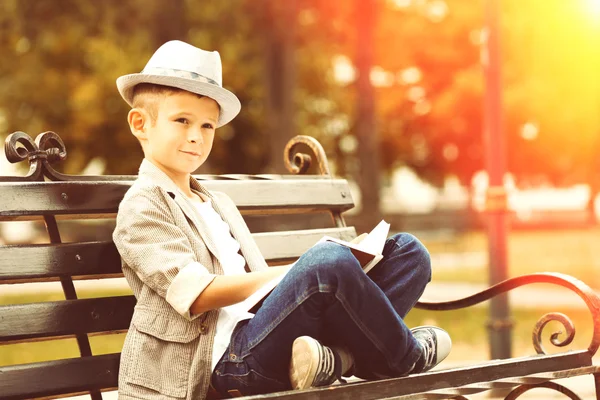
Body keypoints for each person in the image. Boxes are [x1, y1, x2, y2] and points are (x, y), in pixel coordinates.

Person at [112, 40, 452, 400]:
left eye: (207, 126)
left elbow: (266, 293)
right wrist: (298, 271)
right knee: (327, 263)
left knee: (408, 253)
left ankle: (336, 360)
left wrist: (350, 261)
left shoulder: (218, 203)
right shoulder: (142, 205)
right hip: (228, 366)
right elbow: (195, 295)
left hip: (275, 341)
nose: (196, 136)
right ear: (140, 124)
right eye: (182, 121)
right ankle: (404, 357)